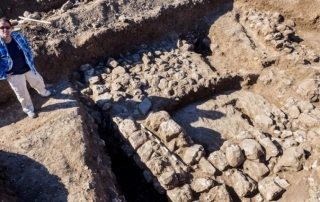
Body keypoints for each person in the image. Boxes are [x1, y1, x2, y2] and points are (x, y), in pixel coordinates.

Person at [0, 17, 51, 118]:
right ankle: (28, 109)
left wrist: (30, 59)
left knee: (38, 81)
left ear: (11, 28)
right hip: (14, 74)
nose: (5, 29)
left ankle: (44, 92)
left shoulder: (17, 36)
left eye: (7, 27)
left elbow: (26, 46)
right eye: (2, 27)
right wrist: (4, 74)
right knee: (22, 94)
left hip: (27, 67)